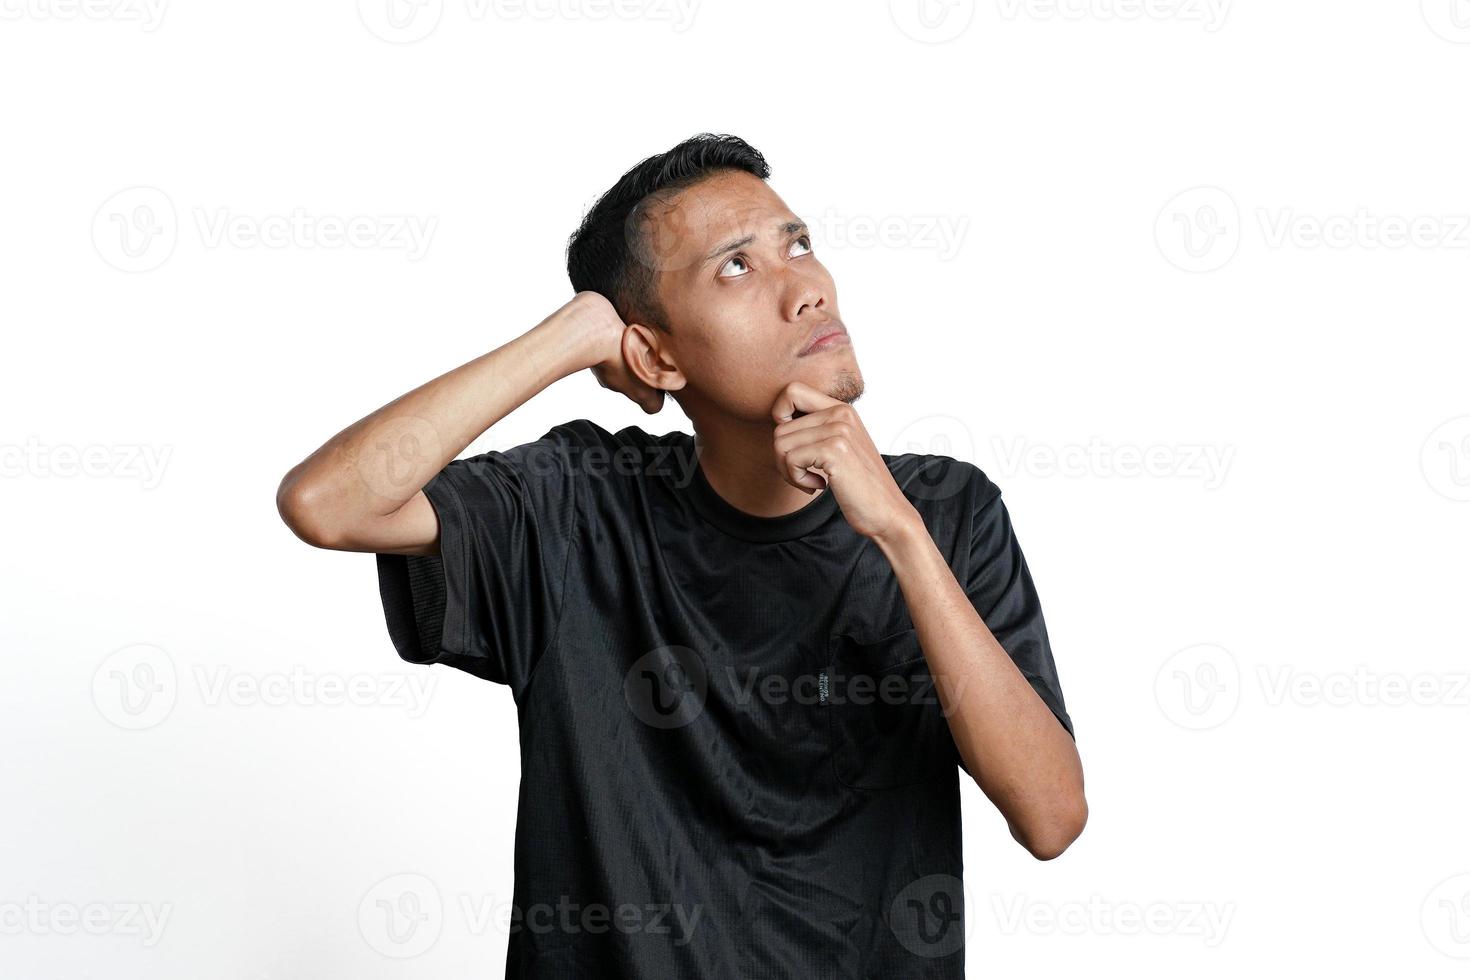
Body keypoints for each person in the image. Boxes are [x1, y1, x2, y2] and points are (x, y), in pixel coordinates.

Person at [276, 133, 1086, 977]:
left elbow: (1051, 816)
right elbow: (327, 503)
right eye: (736, 267)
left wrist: (898, 532)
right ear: (656, 352)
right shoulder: (582, 502)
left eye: (798, 244)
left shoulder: (946, 512)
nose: (804, 289)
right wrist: (575, 333)